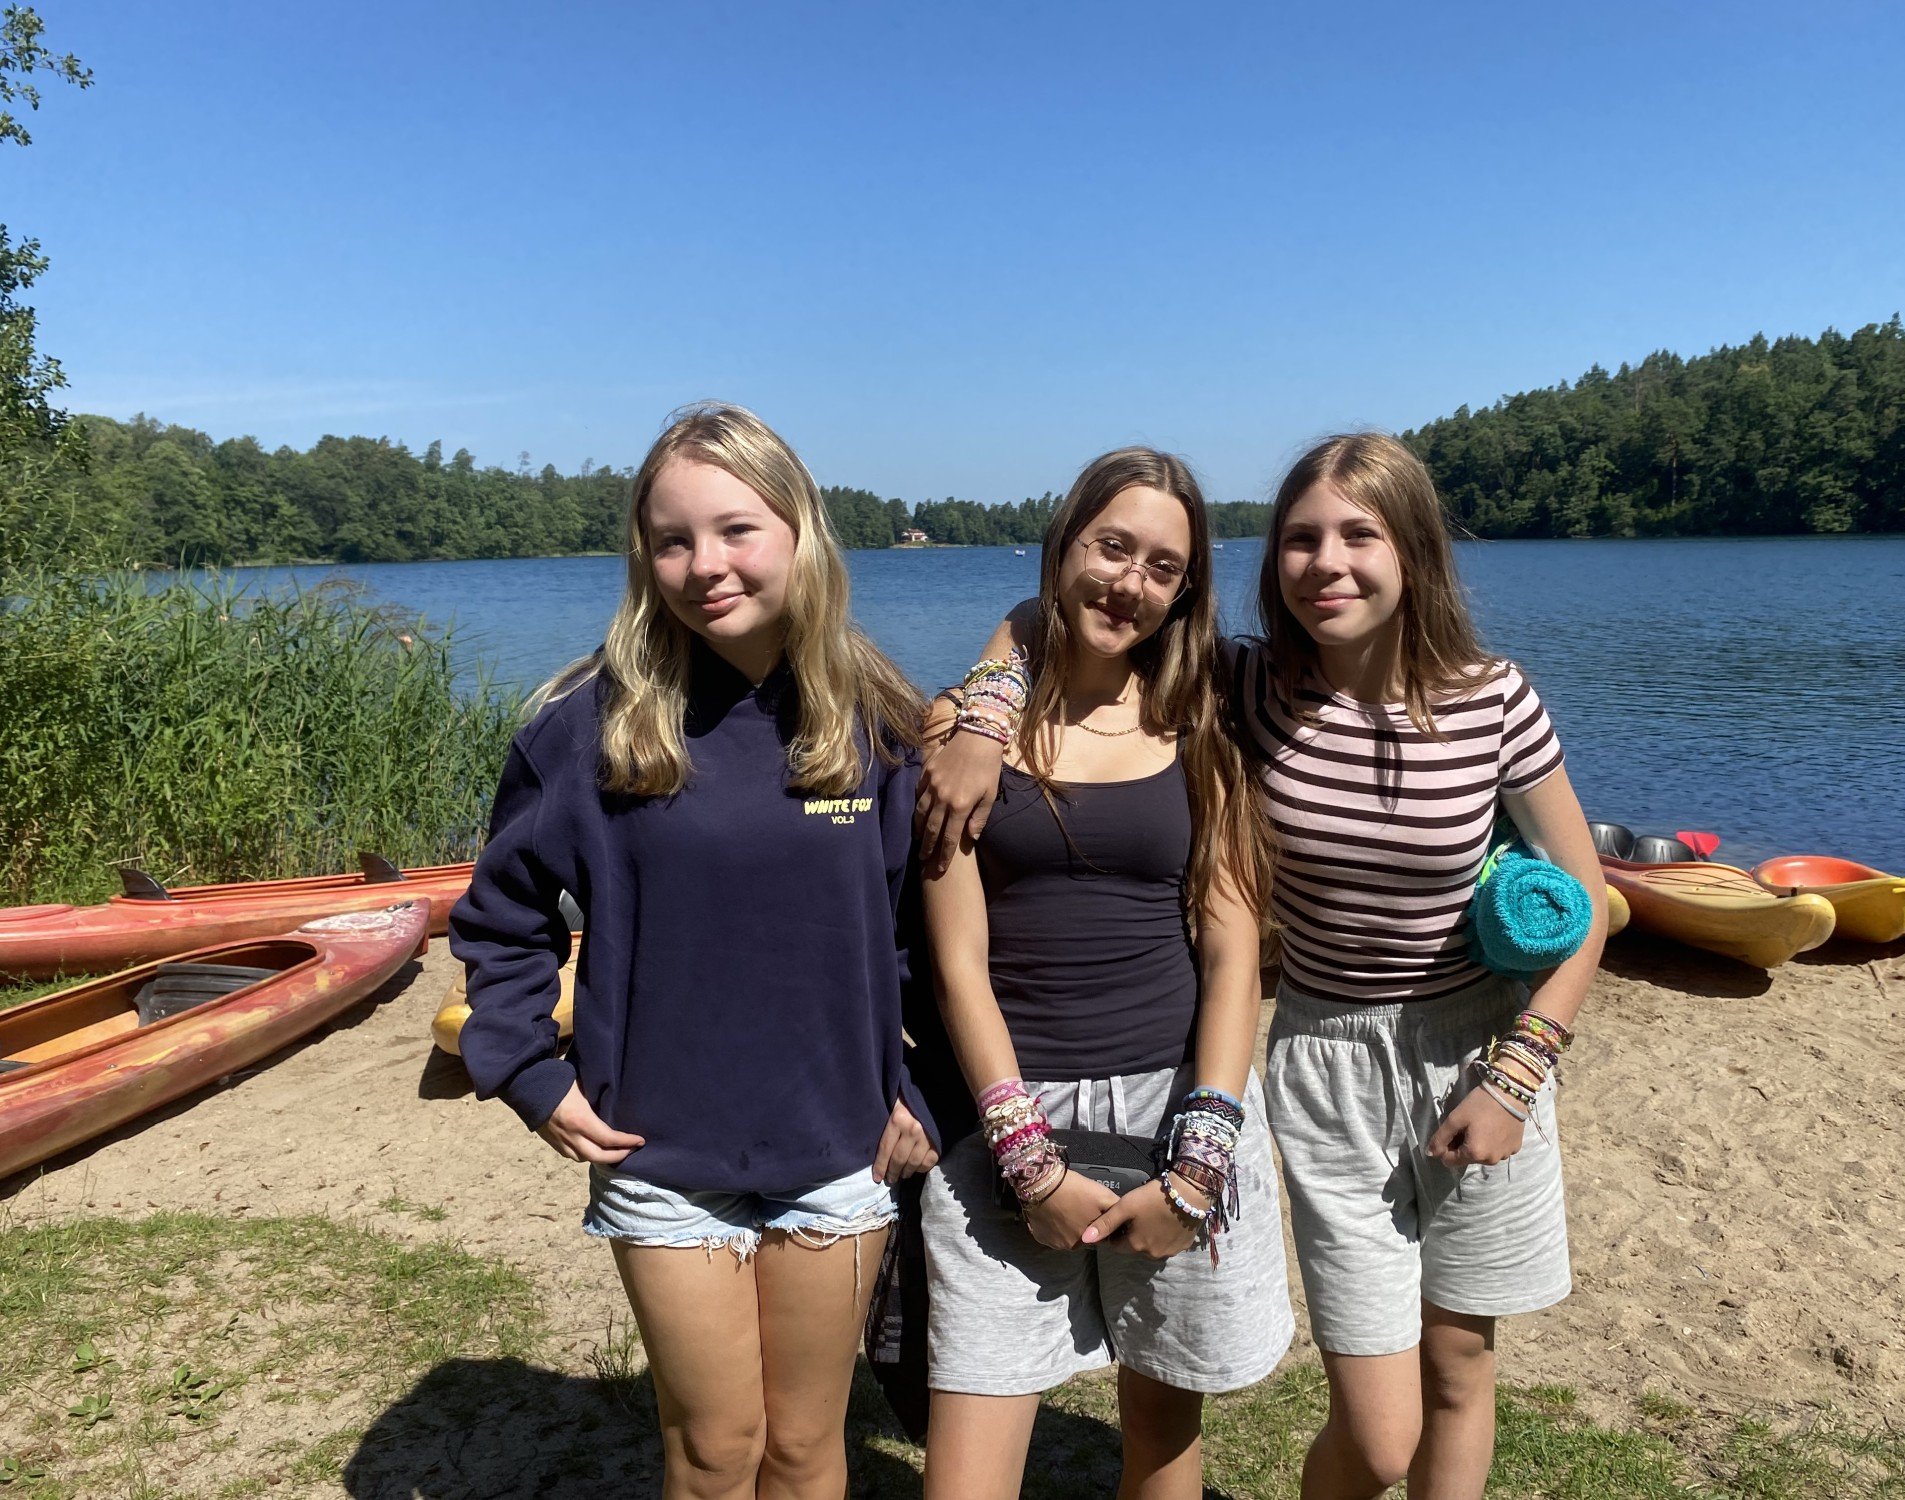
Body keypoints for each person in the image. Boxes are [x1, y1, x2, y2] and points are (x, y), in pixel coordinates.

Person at [918, 432, 1607, 1500]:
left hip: (1477, 1046)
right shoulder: (1244, 685)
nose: (1327, 562)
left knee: (1461, 1365)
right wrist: (986, 710)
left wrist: (1517, 1075)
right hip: (1325, 1058)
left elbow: (1587, 900)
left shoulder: (1493, 699)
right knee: (1380, 1438)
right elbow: (1056, 611)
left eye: (1359, 535)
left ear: (1414, 550)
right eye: (1299, 538)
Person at [450, 402, 940, 1500]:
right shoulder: (589, 726)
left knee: (804, 1448)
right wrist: (526, 1069)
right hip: (660, 1154)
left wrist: (927, 1087)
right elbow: (503, 915)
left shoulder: (877, 723)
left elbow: (927, 936)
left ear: (800, 531)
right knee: (716, 1450)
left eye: (735, 530)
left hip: (839, 1152)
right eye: (672, 540)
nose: (703, 565)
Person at [918, 448, 1294, 1500]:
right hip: (1005, 1111)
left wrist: (1200, 1167)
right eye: (1111, 547)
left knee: (1162, 1445)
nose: (1129, 582)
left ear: (1184, 590)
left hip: (1175, 1110)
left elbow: (1231, 952)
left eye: (1161, 567)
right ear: (1063, 546)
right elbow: (956, 962)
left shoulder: (1200, 726)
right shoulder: (962, 733)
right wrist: (1024, 1159)